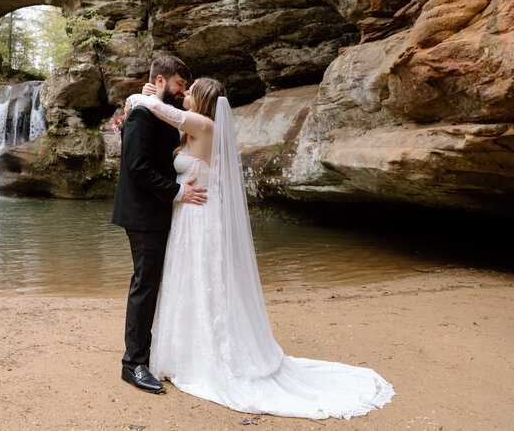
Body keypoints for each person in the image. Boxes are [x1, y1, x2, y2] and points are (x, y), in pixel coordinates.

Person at [122, 78, 395, 419]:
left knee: (201, 283)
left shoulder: (204, 124)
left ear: (204, 99)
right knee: (191, 283)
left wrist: (137, 96)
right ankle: (186, 352)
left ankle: (200, 357)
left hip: (198, 218)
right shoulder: (202, 128)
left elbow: (162, 110)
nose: (185, 94)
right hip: (189, 216)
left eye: (190, 90)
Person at [111, 55, 207, 394]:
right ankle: (133, 364)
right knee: (145, 284)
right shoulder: (141, 114)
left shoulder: (155, 109)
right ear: (162, 80)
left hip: (155, 211)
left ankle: (149, 354)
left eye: (184, 87)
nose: (182, 92)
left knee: (151, 282)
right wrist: (179, 191)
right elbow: (136, 166)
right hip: (142, 213)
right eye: (179, 84)